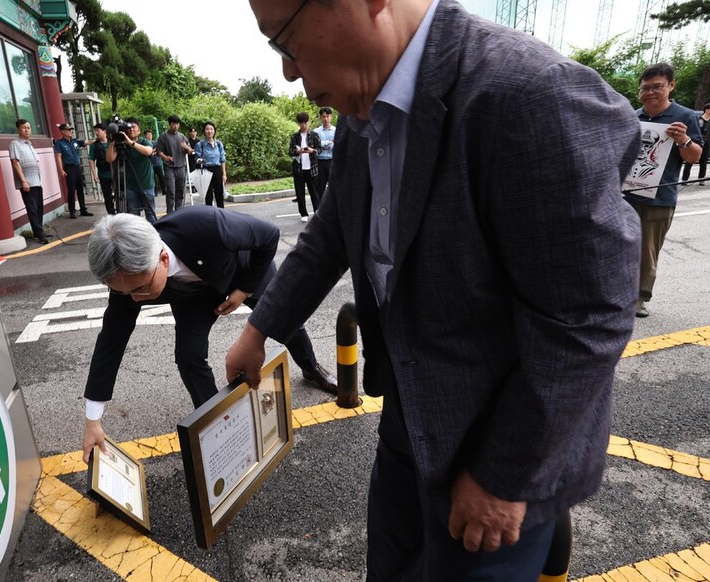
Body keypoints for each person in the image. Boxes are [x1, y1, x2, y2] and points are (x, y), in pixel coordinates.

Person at [226, 1, 642, 579]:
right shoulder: (359, 112)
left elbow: (588, 317)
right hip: (409, 417)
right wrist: (258, 328)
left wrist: (504, 474)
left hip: (500, 447)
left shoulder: (528, 94)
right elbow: (329, 236)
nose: (288, 72)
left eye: (284, 42)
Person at [80, 207, 337, 463]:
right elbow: (110, 342)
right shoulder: (127, 282)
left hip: (243, 271)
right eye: (125, 293)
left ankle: (310, 366)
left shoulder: (206, 226)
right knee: (188, 356)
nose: (135, 299)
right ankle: (215, 419)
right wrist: (93, 420)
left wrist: (243, 290)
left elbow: (269, 235)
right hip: (194, 295)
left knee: (286, 319)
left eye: (141, 290)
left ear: (163, 259)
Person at [626, 63, 702, 318]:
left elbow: (694, 157)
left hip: (659, 197)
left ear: (671, 86)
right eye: (645, 88)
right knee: (619, 245)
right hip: (626, 194)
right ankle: (617, 293)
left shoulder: (685, 116)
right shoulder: (633, 117)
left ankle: (638, 298)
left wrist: (684, 140)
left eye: (657, 86)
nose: (650, 92)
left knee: (647, 250)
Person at [105, 117, 157, 224]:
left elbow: (148, 151)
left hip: (146, 185)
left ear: (139, 130)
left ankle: (154, 238)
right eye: (129, 128)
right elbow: (109, 158)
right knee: (133, 217)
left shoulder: (144, 142)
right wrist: (112, 141)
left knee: (150, 214)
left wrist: (131, 143)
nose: (131, 129)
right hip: (130, 188)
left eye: (134, 127)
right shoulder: (120, 143)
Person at [9, 119, 50, 244]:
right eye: (24, 128)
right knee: (32, 209)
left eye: (28, 128)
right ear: (18, 129)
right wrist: (23, 181)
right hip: (27, 182)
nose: (27, 130)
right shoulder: (15, 144)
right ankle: (39, 234)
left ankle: (39, 231)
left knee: (38, 208)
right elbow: (15, 163)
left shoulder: (29, 144)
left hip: (36, 181)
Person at [156, 115, 196, 214]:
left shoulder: (182, 137)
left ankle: (179, 212)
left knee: (181, 191)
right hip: (169, 168)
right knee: (171, 191)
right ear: (170, 124)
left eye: (177, 124)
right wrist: (165, 157)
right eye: (174, 124)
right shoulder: (163, 137)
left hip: (181, 167)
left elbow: (191, 152)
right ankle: (170, 213)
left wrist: (186, 147)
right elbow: (158, 151)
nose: (176, 126)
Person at [54, 122, 93, 219]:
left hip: (77, 167)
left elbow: (86, 142)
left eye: (71, 130)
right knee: (71, 190)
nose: (70, 131)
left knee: (80, 189)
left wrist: (98, 140)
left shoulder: (75, 141)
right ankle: (72, 211)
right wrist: (61, 170)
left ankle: (83, 209)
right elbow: (58, 157)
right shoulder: (59, 143)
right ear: (62, 132)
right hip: (69, 168)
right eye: (68, 130)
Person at [288, 111, 322, 222]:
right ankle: (303, 213)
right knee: (300, 192)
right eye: (301, 123)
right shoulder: (294, 136)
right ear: (298, 123)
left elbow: (320, 150)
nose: (303, 126)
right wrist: (298, 152)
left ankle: (317, 211)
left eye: (305, 123)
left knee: (314, 192)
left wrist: (313, 150)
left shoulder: (314, 135)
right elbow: (290, 152)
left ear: (309, 122)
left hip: (312, 168)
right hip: (299, 169)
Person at [681, 102, 710, 187]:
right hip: (696, 141)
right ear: (707, 110)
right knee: (690, 160)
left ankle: (701, 179)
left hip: (706, 141)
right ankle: (684, 179)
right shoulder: (697, 119)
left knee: (704, 161)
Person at [195, 122, 227, 208]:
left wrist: (224, 174)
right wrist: (200, 160)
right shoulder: (200, 145)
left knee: (219, 195)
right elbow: (197, 159)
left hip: (217, 170)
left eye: (211, 129)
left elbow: (222, 159)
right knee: (208, 197)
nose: (209, 131)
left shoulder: (219, 144)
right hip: (206, 171)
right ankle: (209, 218)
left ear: (214, 131)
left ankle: (221, 216)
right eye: (207, 129)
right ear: (204, 131)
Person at [89, 123, 116, 215]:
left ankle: (120, 211)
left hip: (115, 173)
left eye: (98, 130)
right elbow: (91, 160)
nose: (96, 133)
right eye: (95, 131)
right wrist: (94, 174)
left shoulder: (112, 142)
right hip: (103, 174)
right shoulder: (94, 145)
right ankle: (111, 214)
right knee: (107, 196)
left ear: (104, 131)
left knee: (119, 193)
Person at [314, 106, 336, 197]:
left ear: (331, 117)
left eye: (328, 116)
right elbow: (316, 144)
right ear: (320, 117)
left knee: (334, 187)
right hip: (320, 162)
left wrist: (322, 144)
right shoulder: (316, 132)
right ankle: (320, 209)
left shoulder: (336, 130)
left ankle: (335, 210)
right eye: (323, 116)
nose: (326, 119)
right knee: (320, 188)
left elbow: (338, 144)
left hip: (332, 161)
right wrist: (329, 143)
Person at [144, 129, 166, 200]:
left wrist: (154, 152)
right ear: (145, 136)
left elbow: (159, 150)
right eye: (148, 135)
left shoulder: (155, 142)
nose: (149, 136)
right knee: (152, 179)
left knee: (162, 177)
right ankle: (155, 192)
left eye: (150, 134)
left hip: (158, 163)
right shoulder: (144, 144)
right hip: (150, 164)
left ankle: (164, 190)